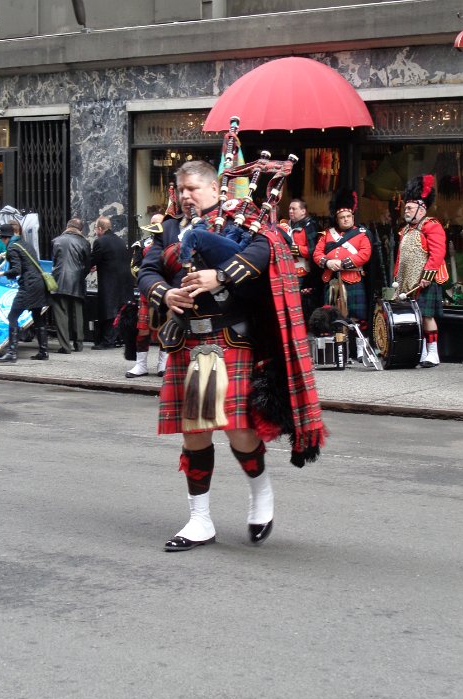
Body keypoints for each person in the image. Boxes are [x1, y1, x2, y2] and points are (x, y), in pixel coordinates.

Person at [138, 160, 325, 552]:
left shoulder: (242, 220)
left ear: (212, 187)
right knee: (195, 433)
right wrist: (165, 293)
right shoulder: (169, 228)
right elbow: (147, 270)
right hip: (187, 342)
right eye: (180, 189)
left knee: (239, 430)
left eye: (192, 188)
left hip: (230, 340)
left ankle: (261, 493)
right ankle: (200, 521)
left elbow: (266, 249)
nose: (185, 195)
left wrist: (219, 276)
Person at [313, 188, 372, 361]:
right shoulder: (326, 235)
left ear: (353, 217)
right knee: (334, 317)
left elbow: (365, 254)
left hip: (353, 279)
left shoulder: (362, 234)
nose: (346, 219)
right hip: (332, 281)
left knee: (357, 317)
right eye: (342, 217)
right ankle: (340, 351)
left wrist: (343, 263)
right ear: (337, 219)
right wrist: (327, 262)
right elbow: (317, 253)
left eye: (348, 216)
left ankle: (361, 351)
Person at [395, 174, 448, 367]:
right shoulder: (405, 230)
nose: (406, 210)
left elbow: (438, 253)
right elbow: (401, 257)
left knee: (426, 316)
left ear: (421, 208)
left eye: (410, 208)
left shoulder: (431, 225)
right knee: (415, 318)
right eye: (406, 208)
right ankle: (422, 351)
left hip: (425, 280)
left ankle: (433, 353)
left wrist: (427, 276)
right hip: (408, 281)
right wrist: (397, 278)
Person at [0, 223, 51, 363]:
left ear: (3, 238)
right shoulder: (25, 244)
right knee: (37, 316)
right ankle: (43, 351)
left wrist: (1, 273)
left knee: (12, 316)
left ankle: (11, 353)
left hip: (29, 286)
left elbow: (16, 270)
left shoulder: (12, 247)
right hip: (39, 284)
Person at [126, 212, 168, 377]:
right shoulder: (142, 244)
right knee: (143, 331)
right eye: (152, 223)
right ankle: (141, 365)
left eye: (158, 223)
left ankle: (162, 365)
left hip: (165, 293)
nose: (154, 226)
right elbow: (135, 268)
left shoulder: (172, 243)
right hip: (147, 293)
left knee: (165, 330)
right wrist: (149, 278)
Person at [276, 199, 322, 324]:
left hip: (304, 272)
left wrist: (296, 249)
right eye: (289, 208)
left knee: (303, 304)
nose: (290, 211)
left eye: (294, 209)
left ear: (303, 211)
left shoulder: (311, 226)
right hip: (286, 270)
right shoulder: (285, 225)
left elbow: (315, 250)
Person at [90, 216, 133, 350]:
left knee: (108, 310)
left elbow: (93, 259)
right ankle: (117, 339)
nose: (95, 232)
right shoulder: (120, 241)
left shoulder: (100, 242)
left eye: (95, 228)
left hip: (109, 281)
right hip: (124, 281)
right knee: (119, 310)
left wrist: (86, 269)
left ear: (100, 228)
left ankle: (107, 341)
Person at [51, 218, 91, 354]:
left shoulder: (56, 241)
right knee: (77, 312)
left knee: (61, 313)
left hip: (58, 280)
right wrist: (81, 274)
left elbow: (54, 261)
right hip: (77, 280)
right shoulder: (85, 243)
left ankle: (65, 346)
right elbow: (87, 264)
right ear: (80, 229)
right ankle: (79, 344)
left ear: (67, 227)